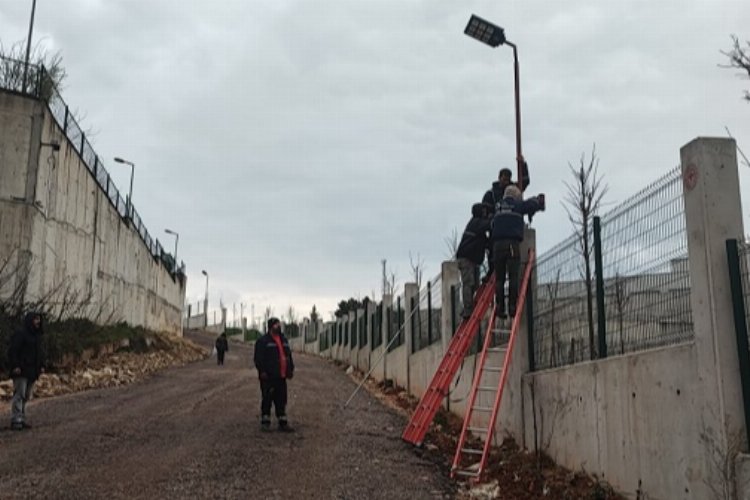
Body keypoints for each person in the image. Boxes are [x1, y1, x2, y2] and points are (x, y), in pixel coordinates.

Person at [491, 185, 545, 320]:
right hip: (512, 245)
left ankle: (499, 307)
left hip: (497, 246)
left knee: (500, 279)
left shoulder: (497, 206)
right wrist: (538, 200)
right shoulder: (517, 205)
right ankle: (512, 307)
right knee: (513, 276)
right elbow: (531, 205)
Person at [254, 317, 295, 432]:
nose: (279, 326)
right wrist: (262, 371)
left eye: (279, 324)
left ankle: (282, 422)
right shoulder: (263, 341)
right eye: (277, 324)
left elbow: (288, 356)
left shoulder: (284, 340)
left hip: (281, 376)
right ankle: (265, 421)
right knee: (267, 398)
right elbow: (258, 358)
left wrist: (290, 369)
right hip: (269, 376)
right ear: (271, 326)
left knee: (281, 399)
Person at [7, 312, 46, 431]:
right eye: (35, 319)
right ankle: (16, 419)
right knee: (19, 394)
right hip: (21, 370)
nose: (38, 322)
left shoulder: (37, 336)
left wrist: (41, 366)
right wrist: (15, 366)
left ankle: (22, 418)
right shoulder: (21, 334)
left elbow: (39, 353)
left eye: (39, 319)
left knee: (26, 395)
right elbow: (13, 351)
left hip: (32, 371)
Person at [456, 202, 493, 319]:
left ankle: (468, 307)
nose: (485, 214)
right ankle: (467, 309)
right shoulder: (476, 223)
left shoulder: (477, 227)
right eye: (484, 212)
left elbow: (486, 243)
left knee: (474, 285)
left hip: (471, 260)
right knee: (469, 283)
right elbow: (489, 224)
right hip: (466, 259)